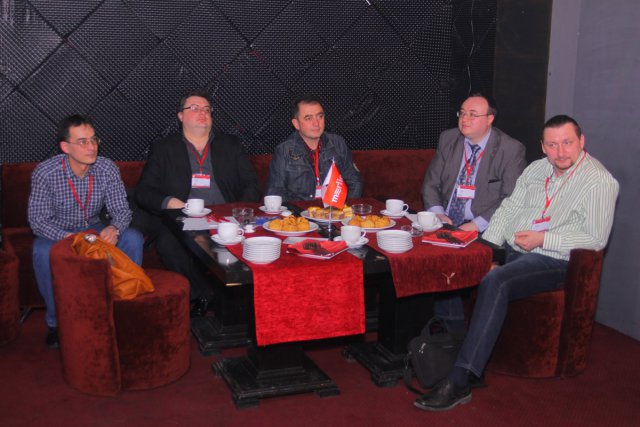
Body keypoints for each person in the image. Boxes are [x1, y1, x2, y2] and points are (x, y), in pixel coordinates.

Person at [414, 115, 619, 412]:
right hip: (512, 250)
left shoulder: (599, 181)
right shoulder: (537, 169)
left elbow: (595, 238)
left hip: (554, 259)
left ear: (581, 141)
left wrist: (543, 238)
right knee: (454, 262)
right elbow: (509, 208)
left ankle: (461, 379)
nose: (560, 152)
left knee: (496, 281)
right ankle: (454, 348)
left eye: (567, 143)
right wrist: (488, 252)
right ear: (542, 146)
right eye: (552, 145)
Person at [135, 89, 260, 317]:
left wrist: (237, 211)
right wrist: (169, 202)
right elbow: (144, 191)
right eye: (194, 108)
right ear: (180, 116)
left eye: (206, 109)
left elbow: (251, 183)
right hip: (184, 219)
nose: (202, 113)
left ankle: (242, 301)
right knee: (168, 242)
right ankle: (203, 294)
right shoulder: (164, 148)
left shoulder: (230, 144)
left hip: (225, 216)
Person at [28, 114, 144, 348]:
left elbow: (122, 210)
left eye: (93, 140)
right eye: (82, 141)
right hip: (58, 231)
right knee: (41, 252)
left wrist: (114, 227)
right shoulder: (45, 173)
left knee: (133, 238)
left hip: (94, 226)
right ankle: (55, 323)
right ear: (65, 147)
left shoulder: (107, 168)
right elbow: (38, 221)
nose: (91, 147)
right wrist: (72, 238)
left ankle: (122, 310)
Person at [421, 93, 526, 232]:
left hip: (485, 226)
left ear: (490, 119)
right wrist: (437, 213)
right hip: (444, 220)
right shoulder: (448, 139)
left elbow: (511, 197)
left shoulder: (510, 150)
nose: (464, 119)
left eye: (472, 115)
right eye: (462, 113)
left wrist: (477, 225)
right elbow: (431, 184)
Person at [266, 96, 362, 201]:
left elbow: (354, 182)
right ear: (296, 124)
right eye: (308, 118)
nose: (316, 123)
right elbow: (275, 193)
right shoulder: (284, 150)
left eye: (320, 116)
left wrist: (345, 208)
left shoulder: (338, 143)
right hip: (300, 210)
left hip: (335, 209)